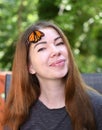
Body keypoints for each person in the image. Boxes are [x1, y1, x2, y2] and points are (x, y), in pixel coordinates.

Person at [3, 21, 102, 130]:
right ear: (30, 66)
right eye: (42, 48)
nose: (56, 51)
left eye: (59, 43)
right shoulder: (18, 116)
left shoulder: (96, 107)